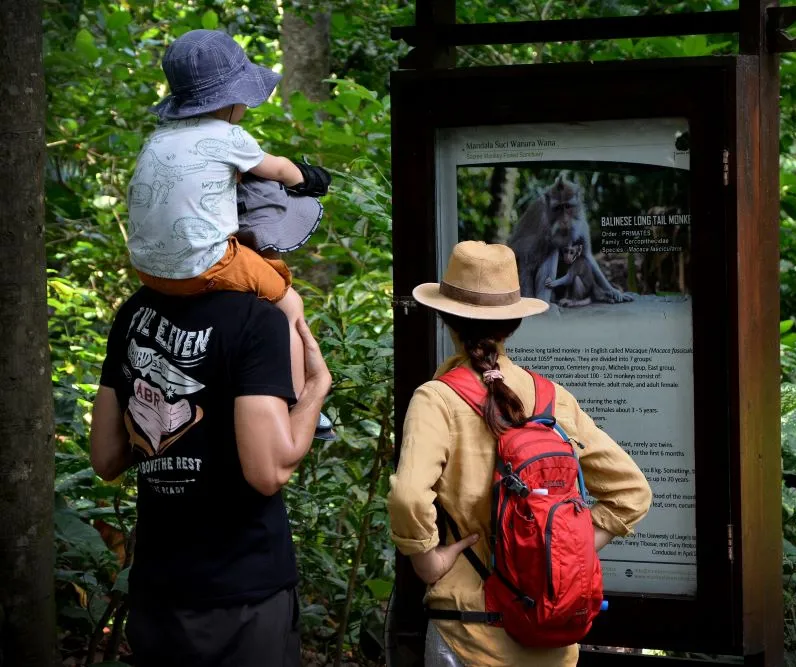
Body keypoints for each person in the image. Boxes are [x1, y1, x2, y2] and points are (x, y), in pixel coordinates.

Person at [388, 241, 653, 667]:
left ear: (445, 319)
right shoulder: (551, 398)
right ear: (514, 323)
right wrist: (565, 551)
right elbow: (632, 492)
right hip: (551, 634)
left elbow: (407, 497)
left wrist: (427, 560)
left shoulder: (437, 398)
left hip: (470, 631)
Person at [89, 280, 332, 666]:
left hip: (158, 587)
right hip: (244, 593)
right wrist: (317, 387)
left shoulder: (135, 312)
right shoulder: (257, 317)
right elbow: (269, 471)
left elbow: (105, 457)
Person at [126, 28, 331, 412]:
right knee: (288, 303)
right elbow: (281, 170)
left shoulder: (157, 139)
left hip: (147, 271)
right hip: (204, 263)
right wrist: (312, 177)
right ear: (232, 100)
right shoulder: (228, 135)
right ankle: (299, 398)